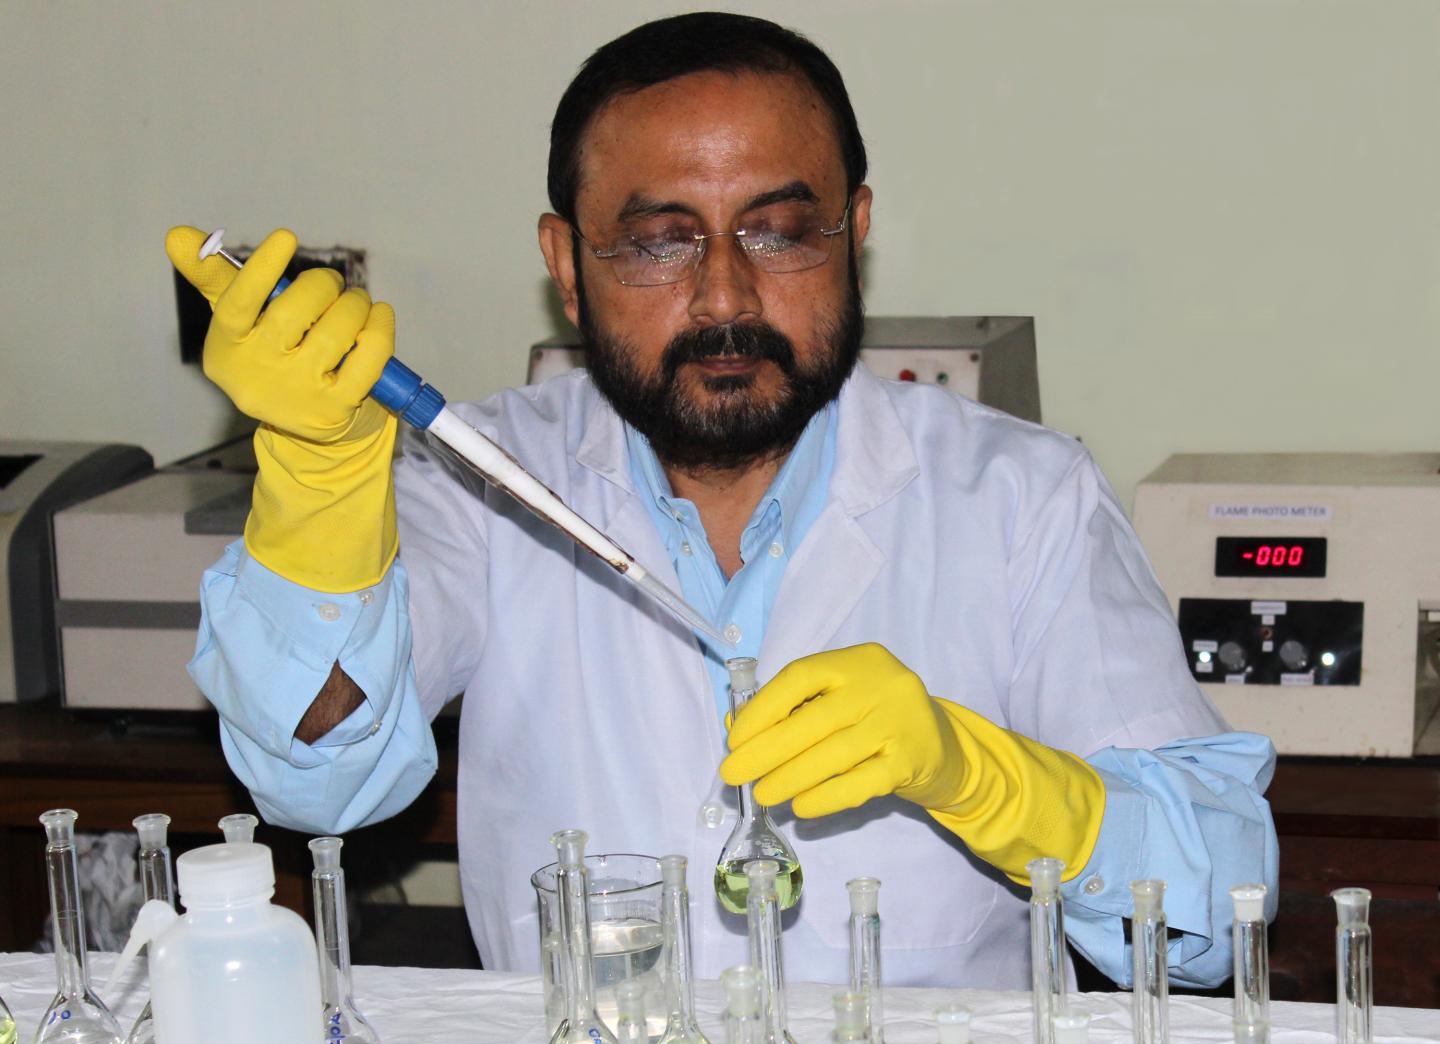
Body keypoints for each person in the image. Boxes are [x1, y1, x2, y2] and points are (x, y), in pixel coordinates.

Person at [165, 11, 1277, 989]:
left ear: (857, 230)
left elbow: (1219, 915)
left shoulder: (1022, 499)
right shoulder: (480, 481)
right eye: (658, 243)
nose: (727, 296)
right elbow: (322, 780)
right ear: (566, 260)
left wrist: (983, 773)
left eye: (780, 231)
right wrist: (316, 484)